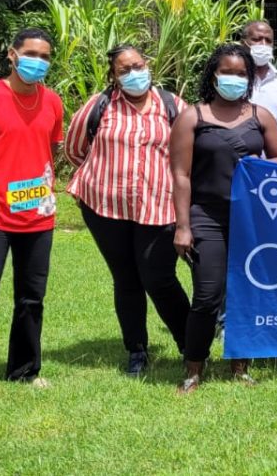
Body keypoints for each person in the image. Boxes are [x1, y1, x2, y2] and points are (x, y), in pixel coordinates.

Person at [64, 45, 191, 376]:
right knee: (126, 279)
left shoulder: (173, 105)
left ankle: (190, 343)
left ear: (147, 65)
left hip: (159, 205)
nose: (133, 73)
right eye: (124, 70)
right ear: (114, 75)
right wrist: (100, 177)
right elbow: (75, 149)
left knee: (159, 278)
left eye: (137, 65)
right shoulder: (99, 105)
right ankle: (136, 350)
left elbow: (192, 153)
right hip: (106, 207)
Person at [170, 44, 277, 394]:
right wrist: (182, 226)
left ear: (249, 79)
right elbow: (180, 175)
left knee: (245, 294)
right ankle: (194, 367)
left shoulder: (260, 116)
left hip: (251, 220)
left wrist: (258, 167)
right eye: (227, 72)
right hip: (206, 216)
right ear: (213, 75)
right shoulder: (194, 117)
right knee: (208, 295)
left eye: (241, 74)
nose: (234, 79)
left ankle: (240, 365)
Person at [0, 28, 63, 386]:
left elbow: (53, 148)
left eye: (45, 56)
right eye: (31, 53)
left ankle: (24, 371)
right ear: (12, 55)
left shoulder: (53, 102)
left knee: (32, 299)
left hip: (38, 216)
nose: (38, 62)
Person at [242, 20, 277, 140]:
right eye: (257, 39)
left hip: (274, 158)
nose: (263, 44)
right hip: (238, 155)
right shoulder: (234, 80)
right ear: (243, 43)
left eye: (268, 41)